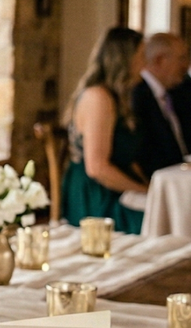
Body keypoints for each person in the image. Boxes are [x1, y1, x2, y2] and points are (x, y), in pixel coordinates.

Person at [63, 27, 149, 234]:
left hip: (116, 189)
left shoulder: (119, 97)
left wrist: (150, 188)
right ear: (124, 59)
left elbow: (127, 158)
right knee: (159, 220)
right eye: (141, 56)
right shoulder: (98, 98)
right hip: (97, 195)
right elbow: (97, 168)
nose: (145, 64)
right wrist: (143, 191)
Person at [131, 33, 190, 178]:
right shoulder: (137, 95)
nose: (186, 66)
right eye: (181, 59)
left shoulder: (175, 93)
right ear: (159, 60)